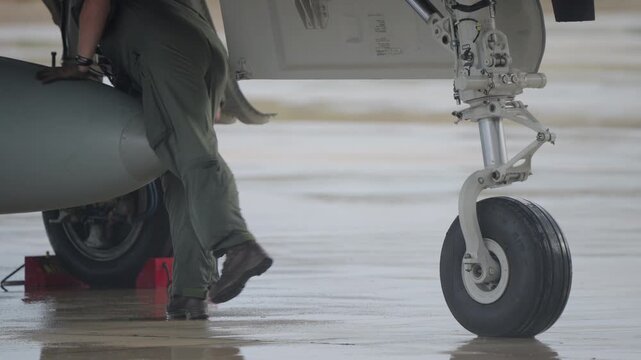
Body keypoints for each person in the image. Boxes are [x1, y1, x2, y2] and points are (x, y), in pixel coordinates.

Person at [37, 0, 273, 320]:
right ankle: (190, 292)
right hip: (198, 45)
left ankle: (237, 245)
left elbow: (97, 2)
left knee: (193, 156)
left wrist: (79, 63)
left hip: (164, 49)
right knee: (179, 173)